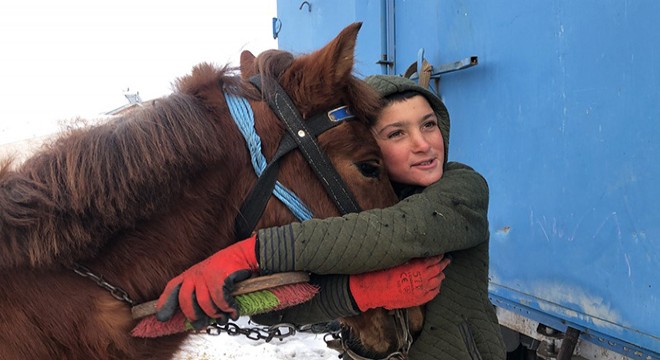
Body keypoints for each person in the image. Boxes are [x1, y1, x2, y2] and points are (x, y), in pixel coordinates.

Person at [156, 75, 506, 359]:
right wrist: (358, 293)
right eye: (396, 133)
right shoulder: (355, 205)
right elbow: (278, 310)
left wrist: (252, 252)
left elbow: (401, 231)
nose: (423, 143)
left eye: (429, 125)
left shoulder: (464, 189)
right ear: (368, 145)